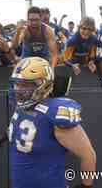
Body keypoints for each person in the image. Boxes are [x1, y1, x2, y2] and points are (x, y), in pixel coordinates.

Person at [8, 57, 96, 188]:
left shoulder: (54, 112)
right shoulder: (21, 103)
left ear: (45, 85)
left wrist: (86, 185)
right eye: (18, 83)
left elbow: (88, 155)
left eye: (26, 85)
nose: (19, 90)